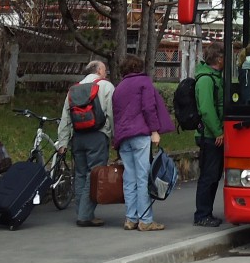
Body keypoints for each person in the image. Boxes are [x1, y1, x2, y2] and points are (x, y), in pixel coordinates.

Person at [111, 54, 174, 231]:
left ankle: (130, 219)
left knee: (129, 178)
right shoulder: (144, 82)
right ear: (139, 67)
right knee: (143, 177)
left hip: (123, 136)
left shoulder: (119, 87)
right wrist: (154, 131)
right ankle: (145, 220)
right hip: (140, 133)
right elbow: (148, 107)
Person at [56, 59, 115, 227]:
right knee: (95, 174)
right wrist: (115, 136)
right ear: (99, 71)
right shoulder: (106, 86)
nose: (106, 73)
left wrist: (63, 141)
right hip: (98, 135)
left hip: (78, 137)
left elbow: (66, 117)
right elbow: (112, 113)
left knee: (80, 174)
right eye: (104, 70)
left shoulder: (73, 89)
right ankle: (85, 215)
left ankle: (81, 212)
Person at [193, 41, 226, 227]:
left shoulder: (214, 77)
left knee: (213, 176)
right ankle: (202, 214)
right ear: (219, 58)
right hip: (209, 136)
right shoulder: (206, 79)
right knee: (208, 176)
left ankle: (206, 213)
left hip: (212, 135)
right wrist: (218, 131)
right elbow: (206, 110)